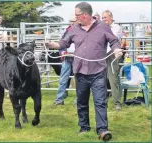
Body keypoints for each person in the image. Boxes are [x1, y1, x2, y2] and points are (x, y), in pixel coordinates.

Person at [45, 2, 123, 141]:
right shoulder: (75, 28)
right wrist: (50, 44)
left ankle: (103, 130)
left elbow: (114, 41)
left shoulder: (103, 26)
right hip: (80, 71)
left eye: (77, 15)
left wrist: (117, 49)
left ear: (85, 15)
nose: (75, 18)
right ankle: (84, 128)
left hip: (98, 70)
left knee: (100, 101)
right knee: (82, 102)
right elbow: (63, 44)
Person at [54, 14, 77, 105]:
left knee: (78, 80)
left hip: (77, 58)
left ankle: (78, 100)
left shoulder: (81, 31)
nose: (72, 23)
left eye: (73, 21)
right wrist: (62, 52)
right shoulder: (67, 31)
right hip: (67, 58)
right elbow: (61, 43)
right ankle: (59, 100)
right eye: (70, 21)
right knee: (63, 79)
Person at [102, 10, 123, 111]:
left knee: (113, 79)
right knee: (102, 79)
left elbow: (112, 39)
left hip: (112, 55)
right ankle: (103, 101)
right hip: (102, 55)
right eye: (103, 18)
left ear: (110, 17)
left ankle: (117, 103)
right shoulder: (102, 27)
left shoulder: (116, 27)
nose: (103, 19)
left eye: (105, 17)